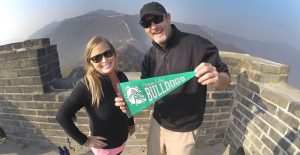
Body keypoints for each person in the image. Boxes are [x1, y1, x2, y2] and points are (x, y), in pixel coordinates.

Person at [115, 2, 231, 155]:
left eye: (157, 19)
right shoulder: (150, 55)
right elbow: (146, 91)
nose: (153, 26)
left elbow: (225, 80)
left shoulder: (198, 45)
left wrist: (217, 78)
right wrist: (127, 102)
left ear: (168, 17)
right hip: (158, 122)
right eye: (146, 23)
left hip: (184, 130)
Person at [56, 36, 135, 155]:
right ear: (90, 62)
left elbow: (127, 104)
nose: (104, 60)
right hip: (104, 150)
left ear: (114, 53)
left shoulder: (121, 76)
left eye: (108, 53)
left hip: (121, 142)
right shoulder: (88, 85)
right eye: (97, 58)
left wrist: (131, 123)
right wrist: (85, 140)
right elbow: (62, 116)